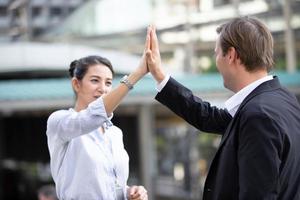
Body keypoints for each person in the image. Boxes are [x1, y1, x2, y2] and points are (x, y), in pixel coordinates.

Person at [145, 17, 300, 199]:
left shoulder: (257, 116)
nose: (216, 60)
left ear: (231, 55)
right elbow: (209, 118)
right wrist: (159, 75)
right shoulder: (282, 99)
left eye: (216, 53)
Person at [46, 29, 151, 200]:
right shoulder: (60, 122)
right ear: (76, 84)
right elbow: (91, 118)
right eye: (95, 80)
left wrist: (130, 193)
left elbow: (110, 187)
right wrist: (136, 74)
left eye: (108, 82)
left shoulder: (115, 133)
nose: (103, 88)